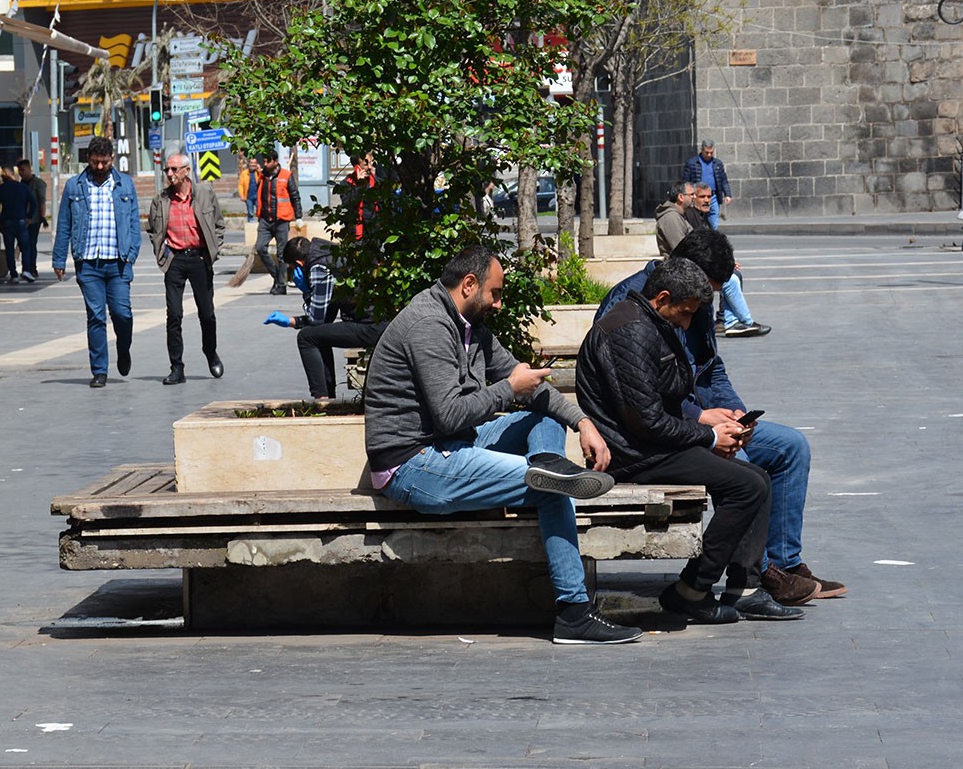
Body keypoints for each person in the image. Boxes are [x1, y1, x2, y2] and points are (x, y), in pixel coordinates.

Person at [363, 245, 640, 646]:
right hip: (414, 463)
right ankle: (574, 614)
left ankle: (547, 464)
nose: (498, 302)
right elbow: (450, 415)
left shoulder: (468, 325)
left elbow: (530, 385)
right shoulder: (428, 324)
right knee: (551, 487)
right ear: (469, 284)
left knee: (545, 420)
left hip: (453, 443)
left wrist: (583, 422)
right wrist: (509, 389)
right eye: (495, 292)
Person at [596, 227, 843, 607]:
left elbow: (711, 367)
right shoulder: (628, 309)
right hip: (666, 434)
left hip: (700, 421)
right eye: (703, 295)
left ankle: (783, 563)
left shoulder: (693, 300)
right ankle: (749, 579)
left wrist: (737, 413)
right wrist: (705, 423)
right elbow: (642, 402)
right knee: (741, 467)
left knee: (792, 447)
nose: (698, 312)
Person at [576, 257, 803, 625]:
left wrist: (716, 421)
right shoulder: (629, 332)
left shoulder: (648, 323)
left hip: (650, 444)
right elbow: (646, 421)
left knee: (756, 477)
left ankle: (743, 587)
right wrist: (710, 436)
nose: (685, 322)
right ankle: (692, 590)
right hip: (634, 455)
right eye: (683, 313)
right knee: (746, 485)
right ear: (662, 297)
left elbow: (667, 397)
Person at [53, 136, 142, 388]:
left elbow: (135, 223)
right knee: (95, 317)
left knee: (122, 314)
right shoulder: (74, 186)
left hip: (118, 262)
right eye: (95, 162)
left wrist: (132, 252)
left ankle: (123, 349)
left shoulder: (125, 185)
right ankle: (100, 370)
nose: (100, 167)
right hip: (88, 262)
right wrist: (59, 259)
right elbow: (64, 225)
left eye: (104, 162)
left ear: (112, 159)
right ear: (88, 160)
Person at [275, 234, 386, 403]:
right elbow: (325, 319)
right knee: (317, 336)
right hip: (375, 321)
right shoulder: (328, 254)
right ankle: (327, 397)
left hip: (370, 326)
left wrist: (306, 291)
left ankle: (322, 399)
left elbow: (316, 319)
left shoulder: (318, 268)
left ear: (299, 264)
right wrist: (293, 321)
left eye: (292, 269)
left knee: (306, 338)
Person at [146, 152, 225, 384]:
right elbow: (152, 229)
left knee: (207, 314)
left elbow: (219, 224)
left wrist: (214, 247)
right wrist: (162, 254)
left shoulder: (205, 193)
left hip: (200, 259)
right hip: (175, 261)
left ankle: (211, 353)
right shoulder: (160, 200)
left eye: (174, 169)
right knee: (174, 315)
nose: (169, 174)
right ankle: (177, 367)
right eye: (166, 170)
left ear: (186, 171)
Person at [690, 187, 768, 337]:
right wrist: (722, 265)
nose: (707, 200)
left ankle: (729, 321)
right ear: (694, 198)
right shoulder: (693, 218)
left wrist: (727, 262)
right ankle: (746, 322)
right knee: (730, 280)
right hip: (695, 267)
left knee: (735, 275)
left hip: (702, 264)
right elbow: (698, 251)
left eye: (709, 197)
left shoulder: (703, 217)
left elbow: (711, 246)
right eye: (702, 197)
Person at [239, 150, 302, 294]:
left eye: (268, 161)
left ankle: (281, 285)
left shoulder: (286, 176)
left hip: (281, 220)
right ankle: (277, 277)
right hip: (265, 220)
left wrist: (298, 216)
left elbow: (295, 196)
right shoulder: (262, 176)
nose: (265, 164)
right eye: (264, 162)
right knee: (261, 248)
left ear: (275, 161)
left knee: (282, 254)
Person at [0, 165, 35, 283]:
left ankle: (13, 274)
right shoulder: (23, 187)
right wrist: (29, 217)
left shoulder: (0, 189)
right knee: (25, 247)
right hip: (21, 220)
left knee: (9, 249)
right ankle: (26, 270)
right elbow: (33, 202)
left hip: (7, 221)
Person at [682, 142, 732, 228]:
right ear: (702, 150)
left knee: (713, 219)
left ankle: (713, 235)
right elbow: (686, 181)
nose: (709, 155)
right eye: (707, 152)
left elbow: (723, 180)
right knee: (698, 218)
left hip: (713, 196)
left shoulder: (717, 164)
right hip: (697, 196)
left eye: (711, 152)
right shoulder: (692, 163)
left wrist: (727, 194)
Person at [337, 153, 379, 244]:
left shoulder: (377, 182)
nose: (369, 167)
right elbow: (348, 204)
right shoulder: (346, 184)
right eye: (365, 164)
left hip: (375, 233)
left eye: (371, 163)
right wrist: (359, 186)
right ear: (357, 167)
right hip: (355, 233)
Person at [15, 158, 46, 282]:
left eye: (23, 170)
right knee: (23, 244)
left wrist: (43, 217)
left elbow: (42, 201)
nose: (21, 173)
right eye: (19, 170)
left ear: (29, 169)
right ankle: (26, 268)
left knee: (31, 243)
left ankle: (31, 268)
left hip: (34, 219)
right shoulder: (20, 184)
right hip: (21, 218)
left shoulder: (38, 183)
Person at [655, 182, 696, 255]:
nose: (695, 197)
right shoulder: (671, 217)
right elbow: (680, 248)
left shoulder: (679, 215)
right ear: (680, 197)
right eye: (692, 194)